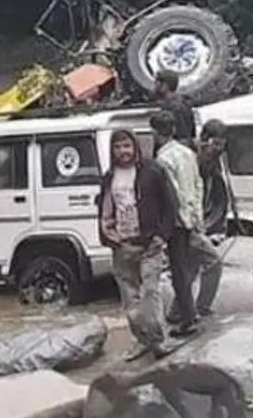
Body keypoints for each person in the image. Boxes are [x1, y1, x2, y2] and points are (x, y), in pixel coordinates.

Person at [98, 129, 177, 360]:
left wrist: (162, 236)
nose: (123, 151)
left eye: (127, 146)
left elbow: (170, 204)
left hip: (150, 244)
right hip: (122, 245)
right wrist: (107, 237)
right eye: (118, 147)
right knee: (130, 300)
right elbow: (104, 210)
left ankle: (159, 341)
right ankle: (143, 340)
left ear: (135, 147)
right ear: (112, 150)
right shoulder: (109, 178)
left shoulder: (152, 171)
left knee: (150, 294)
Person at [151, 111, 217, 337]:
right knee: (187, 268)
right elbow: (198, 186)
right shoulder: (188, 153)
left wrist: (181, 221)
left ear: (156, 133)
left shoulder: (163, 159)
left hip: (178, 223)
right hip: (192, 218)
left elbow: (174, 194)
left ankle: (188, 318)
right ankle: (182, 313)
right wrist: (196, 218)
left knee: (180, 272)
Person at [191, 120, 229, 317]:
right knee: (212, 264)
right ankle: (199, 308)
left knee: (190, 270)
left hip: (198, 224)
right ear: (204, 141)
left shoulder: (211, 164)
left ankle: (179, 312)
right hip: (188, 223)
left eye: (222, 145)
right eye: (216, 145)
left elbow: (217, 196)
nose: (219, 150)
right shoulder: (190, 161)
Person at [152, 71, 195, 145]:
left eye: (157, 83)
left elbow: (184, 136)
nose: (154, 86)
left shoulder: (177, 108)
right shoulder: (177, 104)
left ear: (165, 85)